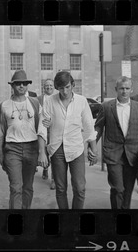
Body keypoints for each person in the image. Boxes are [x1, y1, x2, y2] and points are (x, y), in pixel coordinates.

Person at [38, 70, 98, 209]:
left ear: (73, 85)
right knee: (60, 188)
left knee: (80, 187)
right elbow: (42, 128)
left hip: (76, 149)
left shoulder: (82, 101)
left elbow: (89, 126)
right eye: (60, 88)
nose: (64, 91)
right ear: (56, 88)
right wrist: (42, 152)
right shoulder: (50, 102)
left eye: (67, 87)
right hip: (57, 150)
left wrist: (94, 149)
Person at [94, 76, 138, 209]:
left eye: (127, 88)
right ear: (116, 89)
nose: (124, 91)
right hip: (113, 153)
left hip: (133, 154)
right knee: (117, 188)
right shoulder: (106, 107)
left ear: (131, 90)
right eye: (121, 88)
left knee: (128, 190)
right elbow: (98, 127)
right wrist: (92, 145)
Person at [0, 70, 46, 209]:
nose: (21, 86)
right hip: (12, 149)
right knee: (16, 187)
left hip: (31, 148)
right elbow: (0, 131)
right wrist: (0, 153)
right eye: (18, 84)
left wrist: (42, 151)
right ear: (12, 86)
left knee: (28, 187)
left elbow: (42, 127)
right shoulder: (4, 105)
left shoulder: (35, 103)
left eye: (24, 83)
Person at [37, 79, 56, 190]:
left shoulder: (57, 98)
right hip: (42, 129)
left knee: (54, 154)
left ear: (53, 87)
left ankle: (54, 179)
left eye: (50, 85)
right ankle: (45, 169)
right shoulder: (38, 99)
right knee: (44, 152)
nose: (49, 87)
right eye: (46, 85)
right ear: (43, 87)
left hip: (54, 130)